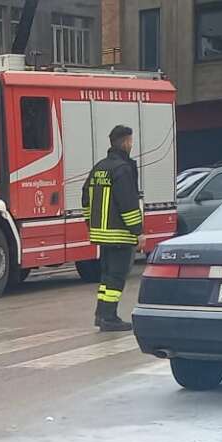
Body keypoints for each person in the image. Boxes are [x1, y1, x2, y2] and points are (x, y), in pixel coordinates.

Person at [83, 125, 143, 331]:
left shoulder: (99, 167)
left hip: (102, 234)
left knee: (107, 277)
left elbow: (85, 197)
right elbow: (128, 203)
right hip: (120, 234)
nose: (131, 144)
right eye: (131, 141)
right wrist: (138, 232)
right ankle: (109, 317)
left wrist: (90, 223)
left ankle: (101, 315)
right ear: (126, 142)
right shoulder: (122, 169)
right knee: (116, 278)